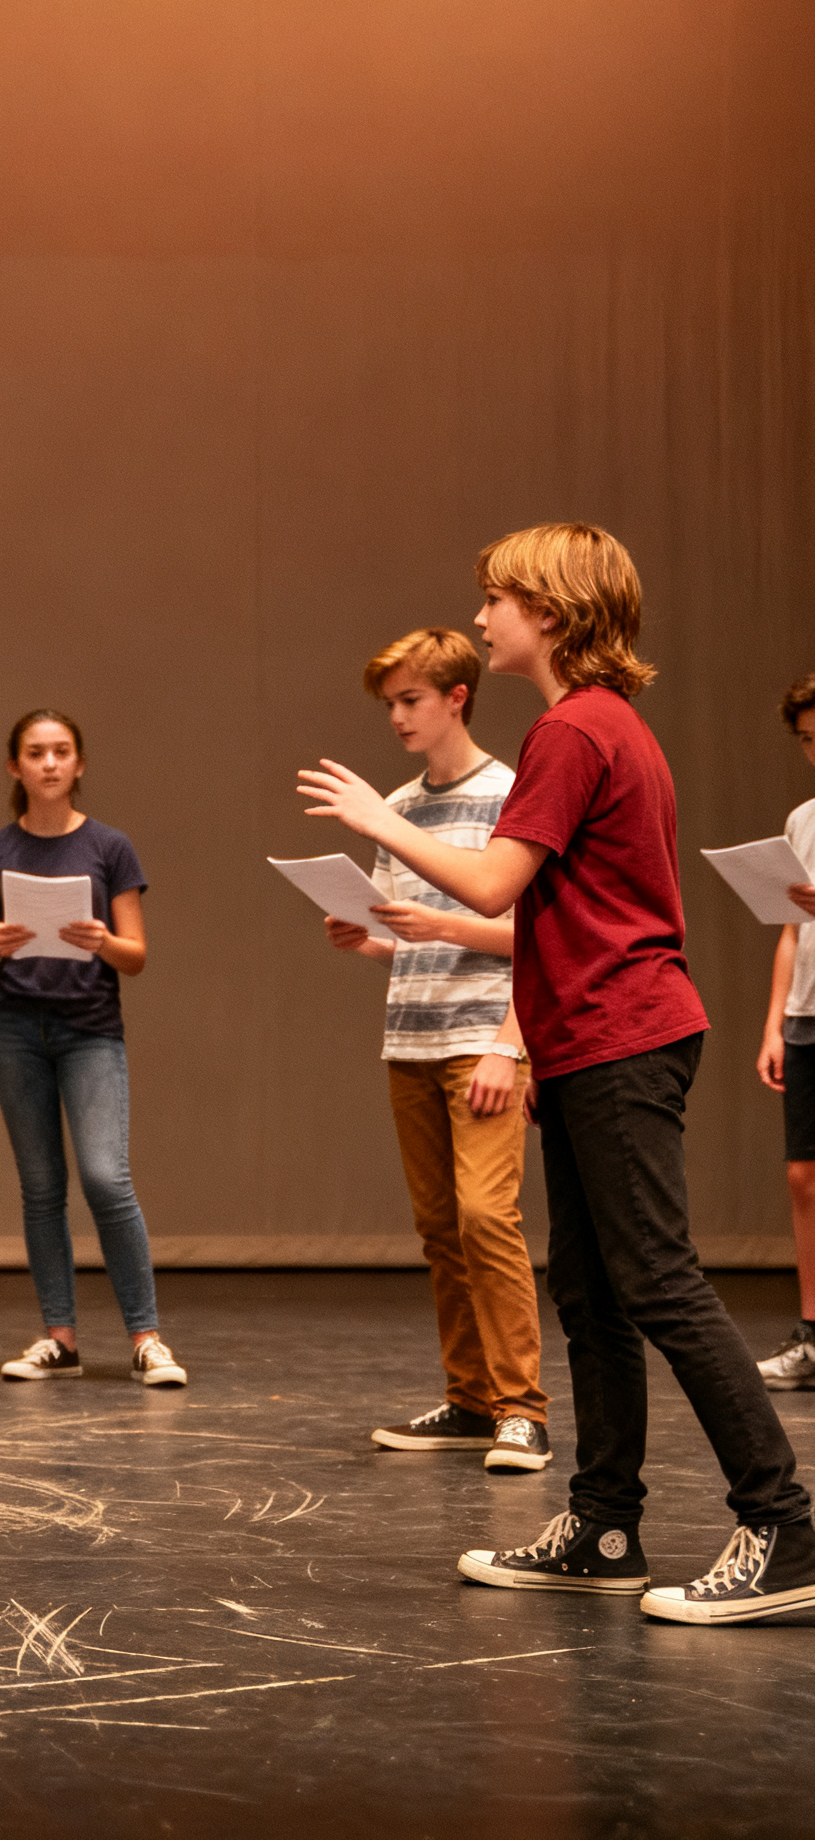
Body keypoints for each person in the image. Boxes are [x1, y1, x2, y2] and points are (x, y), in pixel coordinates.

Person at [300, 522, 815, 1625]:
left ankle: (781, 1524)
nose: (481, 615)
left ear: (551, 610)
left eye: (495, 597)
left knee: (658, 1281)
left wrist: (378, 817)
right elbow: (534, 921)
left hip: (620, 1033)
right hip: (592, 1033)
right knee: (589, 1293)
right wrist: (417, 922)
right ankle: (602, 1520)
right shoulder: (591, 727)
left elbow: (496, 883)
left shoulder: (573, 730)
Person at [319, 632, 548, 1474]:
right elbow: (414, 936)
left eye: (412, 699)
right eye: (390, 703)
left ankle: (523, 1408)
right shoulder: (399, 804)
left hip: (484, 1038)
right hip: (411, 1036)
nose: (398, 717)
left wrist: (506, 1047)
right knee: (441, 1227)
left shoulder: (511, 795)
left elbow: (536, 933)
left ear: (457, 697)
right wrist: (367, 937)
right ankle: (470, 1398)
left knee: (489, 1217)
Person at [0, 709, 184, 1388]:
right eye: (35, 752)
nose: (49, 763)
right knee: (41, 1187)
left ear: (79, 765)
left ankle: (146, 1337)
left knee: (106, 1179)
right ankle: (60, 1336)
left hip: (89, 1028)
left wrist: (100, 942)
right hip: (16, 1030)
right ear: (14, 766)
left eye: (61, 752)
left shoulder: (111, 849)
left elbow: (136, 955)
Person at [754, 670, 815, 1390]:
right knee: (804, 1175)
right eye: (805, 742)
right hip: (805, 1017)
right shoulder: (803, 819)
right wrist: (774, 1023)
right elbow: (791, 931)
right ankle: (811, 1333)